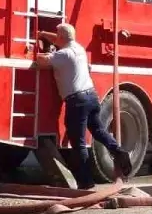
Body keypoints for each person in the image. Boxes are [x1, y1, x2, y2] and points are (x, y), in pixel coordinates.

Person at [34, 23, 133, 189]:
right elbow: (61, 38)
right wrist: (43, 32)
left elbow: (41, 60)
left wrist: (42, 50)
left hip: (77, 101)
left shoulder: (62, 54)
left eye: (57, 35)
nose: (55, 38)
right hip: (91, 97)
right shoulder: (78, 48)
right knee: (98, 131)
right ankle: (119, 151)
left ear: (61, 38)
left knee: (78, 142)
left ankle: (86, 183)